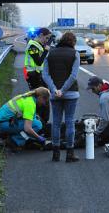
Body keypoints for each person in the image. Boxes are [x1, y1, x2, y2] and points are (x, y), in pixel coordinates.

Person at [42, 32, 80, 163]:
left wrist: (54, 90)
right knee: (70, 122)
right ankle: (70, 154)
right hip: (71, 93)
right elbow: (73, 76)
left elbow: (45, 75)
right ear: (73, 42)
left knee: (56, 123)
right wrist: (63, 90)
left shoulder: (50, 53)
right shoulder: (75, 54)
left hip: (55, 94)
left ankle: (55, 154)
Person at [23, 27, 52, 124]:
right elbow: (39, 62)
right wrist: (46, 50)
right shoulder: (32, 45)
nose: (47, 41)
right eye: (46, 38)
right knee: (40, 100)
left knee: (45, 98)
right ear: (40, 35)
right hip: (33, 75)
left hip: (39, 75)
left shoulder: (39, 45)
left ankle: (42, 122)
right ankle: (39, 123)